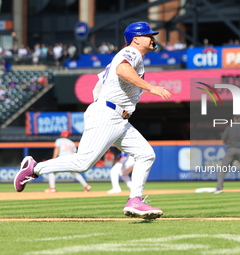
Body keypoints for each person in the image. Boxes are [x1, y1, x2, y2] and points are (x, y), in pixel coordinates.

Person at [14, 21, 171, 220]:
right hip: (108, 114)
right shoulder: (131, 52)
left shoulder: (131, 56)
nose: (153, 38)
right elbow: (122, 71)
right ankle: (34, 168)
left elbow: (99, 86)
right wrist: (151, 88)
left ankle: (135, 201)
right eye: (148, 35)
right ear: (136, 39)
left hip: (117, 117)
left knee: (146, 154)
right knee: (83, 162)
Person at [215, 115, 240, 194]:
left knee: (223, 169)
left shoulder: (229, 128)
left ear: (234, 119)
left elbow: (223, 139)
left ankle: (219, 187)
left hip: (231, 149)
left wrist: (229, 144)